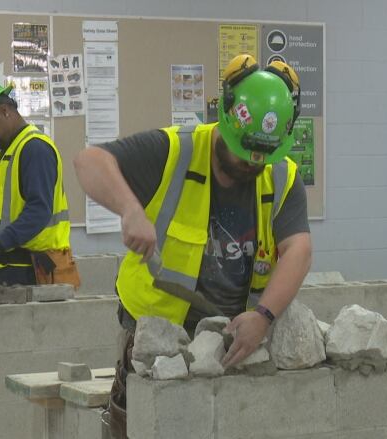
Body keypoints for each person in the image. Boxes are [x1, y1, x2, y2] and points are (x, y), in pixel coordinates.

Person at [74, 54, 312, 438]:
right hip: (156, 336)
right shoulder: (173, 151)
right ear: (226, 121)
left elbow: (298, 249)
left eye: (262, 157)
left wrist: (263, 316)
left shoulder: (281, 176)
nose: (252, 165)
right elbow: (90, 161)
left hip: (230, 340)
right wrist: (131, 209)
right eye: (243, 152)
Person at [0, 80, 80, 287]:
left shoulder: (34, 149)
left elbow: (39, 210)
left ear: (4, 110)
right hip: (12, 269)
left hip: (33, 271)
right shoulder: (9, 152)